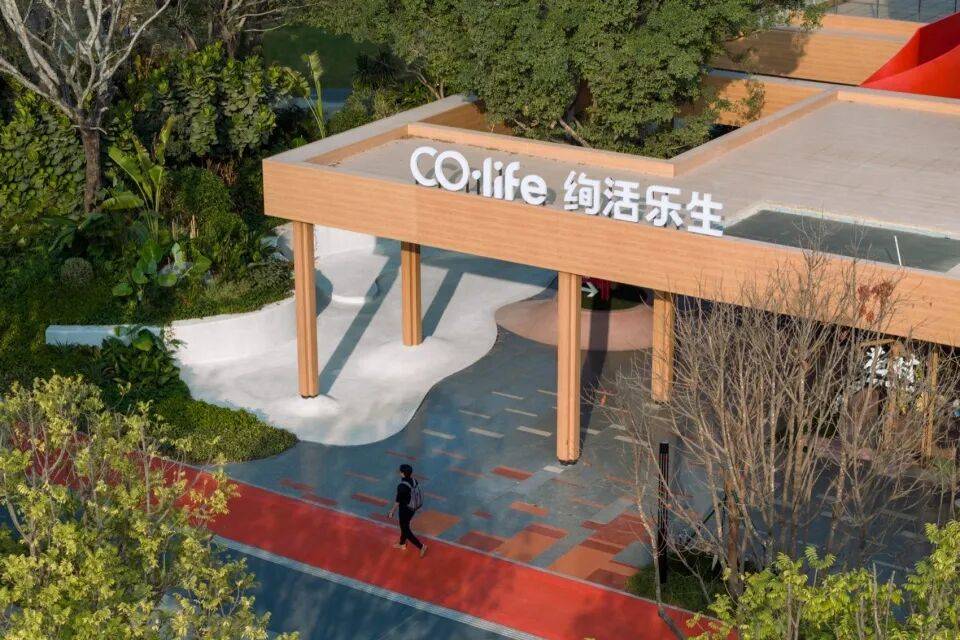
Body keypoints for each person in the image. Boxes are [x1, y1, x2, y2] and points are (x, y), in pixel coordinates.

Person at [388, 464, 427, 557]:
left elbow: (397, 501)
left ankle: (421, 546)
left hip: (405, 509)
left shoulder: (402, 486)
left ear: (402, 473)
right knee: (404, 526)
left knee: (405, 529)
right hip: (413, 508)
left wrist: (391, 511)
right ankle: (402, 543)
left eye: (400, 471)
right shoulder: (414, 480)